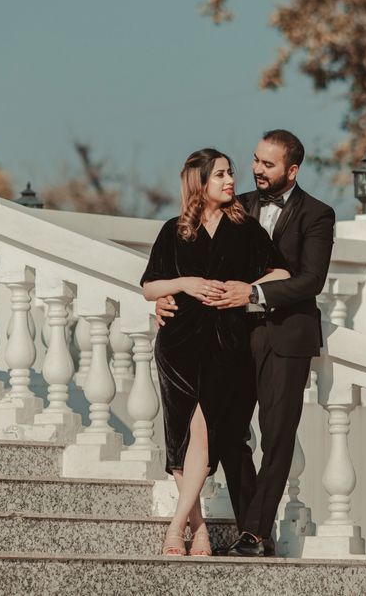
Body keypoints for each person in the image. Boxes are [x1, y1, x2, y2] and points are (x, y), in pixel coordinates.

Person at [157, 130, 335, 557]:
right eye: (254, 160)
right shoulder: (239, 208)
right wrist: (168, 297)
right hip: (234, 340)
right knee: (229, 433)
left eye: (267, 164)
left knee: (276, 436)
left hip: (286, 338)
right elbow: (197, 262)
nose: (255, 170)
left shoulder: (318, 214)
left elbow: (310, 279)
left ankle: (255, 533)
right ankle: (250, 524)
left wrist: (252, 293)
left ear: (292, 170)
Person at [141, 148, 290, 556]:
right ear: (199, 182)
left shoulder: (245, 228)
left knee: (204, 434)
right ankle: (200, 530)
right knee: (180, 439)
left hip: (227, 345)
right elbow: (150, 286)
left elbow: (281, 272)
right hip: (178, 344)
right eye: (221, 174)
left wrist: (245, 293)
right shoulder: (174, 229)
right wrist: (184, 282)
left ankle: (176, 529)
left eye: (231, 173)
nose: (230, 181)